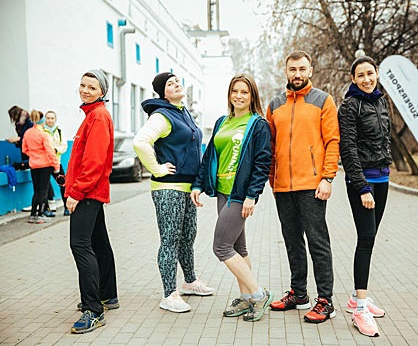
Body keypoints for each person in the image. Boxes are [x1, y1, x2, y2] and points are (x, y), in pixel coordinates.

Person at [191, 74, 273, 322]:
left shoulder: (258, 124)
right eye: (235, 91)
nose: (239, 96)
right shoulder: (221, 122)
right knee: (239, 247)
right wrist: (198, 184)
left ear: (252, 97)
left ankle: (258, 294)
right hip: (223, 191)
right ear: (229, 94)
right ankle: (246, 298)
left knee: (221, 247)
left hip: (240, 193)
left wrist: (251, 195)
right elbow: (209, 156)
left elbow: (262, 162)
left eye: (244, 92)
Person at [267, 50, 340, 323]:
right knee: (292, 241)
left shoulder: (323, 101)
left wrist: (328, 177)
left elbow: (333, 141)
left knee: (318, 242)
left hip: (313, 185)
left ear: (310, 71)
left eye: (302, 69)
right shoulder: (275, 105)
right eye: (292, 69)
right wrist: (273, 179)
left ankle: (326, 301)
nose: (297, 74)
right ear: (285, 71)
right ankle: (299, 293)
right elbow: (270, 146)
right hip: (283, 187)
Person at [133, 72, 215, 314]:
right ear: (162, 92)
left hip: (187, 188)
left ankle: (189, 282)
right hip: (168, 188)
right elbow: (141, 142)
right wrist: (157, 169)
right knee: (170, 240)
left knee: (187, 237)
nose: (176, 84)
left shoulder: (183, 113)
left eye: (177, 81)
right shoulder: (162, 115)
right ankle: (169, 294)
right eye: (170, 83)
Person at [338, 56, 392, 337]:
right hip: (363, 182)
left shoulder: (383, 101)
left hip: (383, 178)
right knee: (366, 239)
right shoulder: (349, 106)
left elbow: (385, 139)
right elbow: (347, 149)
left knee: (369, 238)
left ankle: (356, 298)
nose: (367, 79)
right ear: (353, 79)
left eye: (370, 73)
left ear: (377, 74)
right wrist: (362, 187)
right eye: (361, 75)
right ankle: (360, 307)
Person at [66, 70, 118, 334]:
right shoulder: (93, 115)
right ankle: (108, 295)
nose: (85, 90)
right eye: (83, 85)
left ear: (102, 92)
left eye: (92, 87)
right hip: (90, 191)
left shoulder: (97, 116)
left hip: (88, 194)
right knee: (98, 243)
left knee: (80, 245)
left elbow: (94, 161)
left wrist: (76, 191)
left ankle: (93, 310)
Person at [21, 110, 60, 224]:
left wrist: (34, 155)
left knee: (36, 190)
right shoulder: (44, 134)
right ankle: (41, 214)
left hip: (33, 165)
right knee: (44, 190)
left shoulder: (28, 133)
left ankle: (33, 214)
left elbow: (24, 149)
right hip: (45, 165)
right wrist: (56, 166)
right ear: (42, 121)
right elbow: (50, 151)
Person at [43, 110, 69, 215]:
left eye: (52, 118)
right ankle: (47, 209)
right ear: (45, 119)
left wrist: (56, 150)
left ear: (55, 119)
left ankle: (67, 208)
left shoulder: (59, 131)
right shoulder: (42, 131)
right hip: (45, 163)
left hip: (57, 163)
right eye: (48, 118)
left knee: (64, 184)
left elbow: (64, 145)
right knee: (45, 186)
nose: (50, 120)